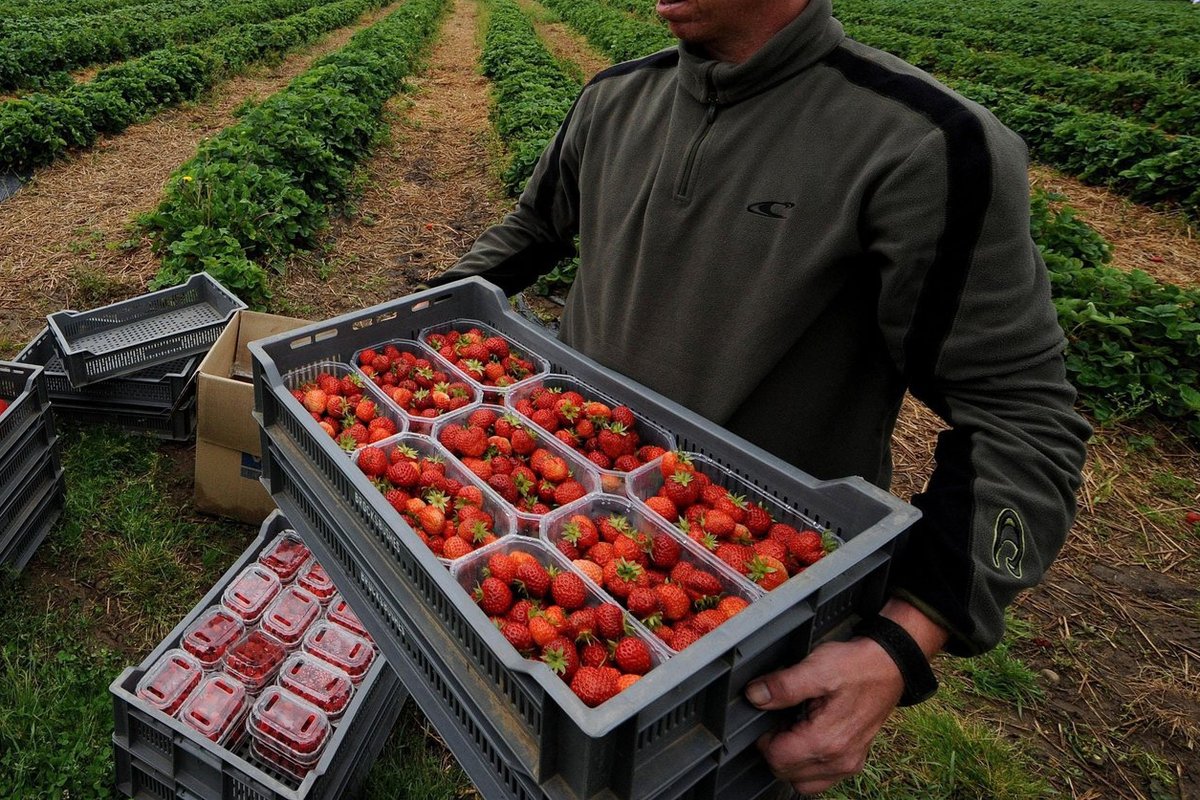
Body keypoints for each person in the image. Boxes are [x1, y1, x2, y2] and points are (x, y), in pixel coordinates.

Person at [429, 0, 1091, 793]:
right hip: (552, 505)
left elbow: (1024, 415)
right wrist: (427, 308)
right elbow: (536, 227)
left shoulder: (923, 143)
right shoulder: (613, 99)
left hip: (745, 594)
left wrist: (905, 640)